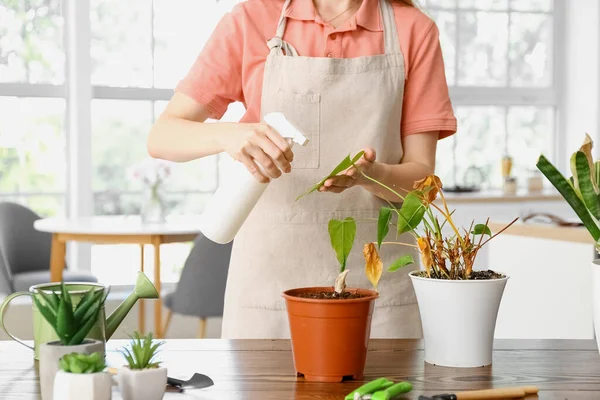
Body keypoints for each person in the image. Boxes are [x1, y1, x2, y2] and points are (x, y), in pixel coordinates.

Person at [148, 0, 457, 339]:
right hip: (269, 289)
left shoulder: (413, 29)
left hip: (378, 290)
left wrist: (374, 175)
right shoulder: (252, 19)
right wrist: (228, 135)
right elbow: (162, 137)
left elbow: (423, 187)